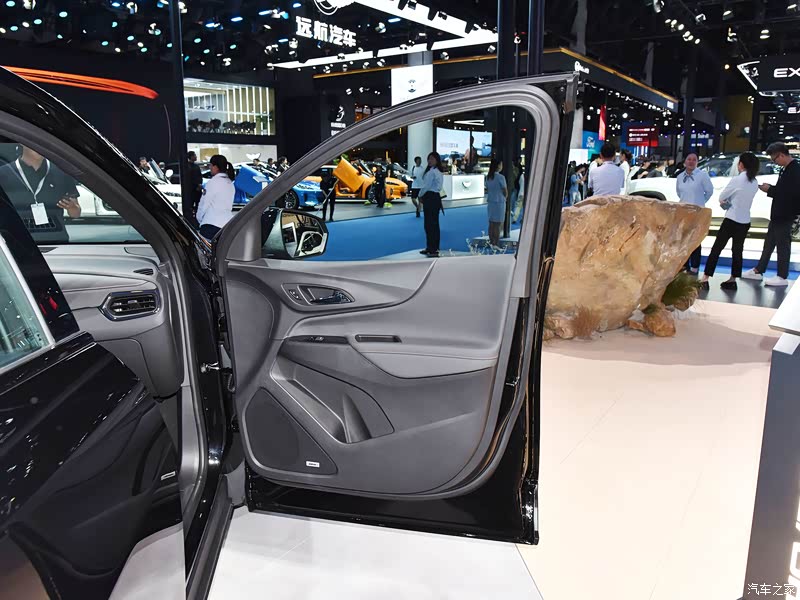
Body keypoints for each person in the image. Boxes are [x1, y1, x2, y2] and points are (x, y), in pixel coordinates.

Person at [742, 142, 800, 287]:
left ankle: (782, 276)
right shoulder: (787, 169)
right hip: (778, 214)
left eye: (774, 159)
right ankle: (759, 270)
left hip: (786, 215)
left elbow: (790, 194)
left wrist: (770, 190)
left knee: (783, 246)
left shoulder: (795, 170)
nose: (775, 162)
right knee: (768, 244)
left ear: (781, 155)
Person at [700, 153, 760, 290]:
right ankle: (733, 279)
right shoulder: (754, 182)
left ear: (741, 164)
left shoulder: (737, 180)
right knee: (737, 251)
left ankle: (705, 278)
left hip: (731, 219)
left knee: (717, 249)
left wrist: (726, 201)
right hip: (745, 221)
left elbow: (722, 196)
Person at [0, 144, 81, 243]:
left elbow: (76, 214)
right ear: (22, 143)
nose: (39, 147)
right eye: (35, 143)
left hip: (56, 240)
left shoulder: (62, 172)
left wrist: (72, 207)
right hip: (17, 242)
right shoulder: (3, 174)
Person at [676, 153, 714, 274]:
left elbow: (709, 191)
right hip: (683, 212)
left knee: (695, 240)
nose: (691, 162)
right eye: (689, 159)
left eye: (694, 160)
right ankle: (684, 265)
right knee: (683, 240)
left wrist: (700, 203)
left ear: (697, 162)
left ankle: (695, 266)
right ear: (685, 161)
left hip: (697, 213)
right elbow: (679, 193)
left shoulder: (702, 175)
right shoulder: (680, 176)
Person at [197, 154, 234, 240]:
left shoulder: (213, 182)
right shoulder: (230, 183)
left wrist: (199, 219)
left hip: (210, 225)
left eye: (211, 165)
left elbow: (204, 204)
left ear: (216, 167)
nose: (210, 168)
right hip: (226, 225)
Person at [419, 152, 444, 257]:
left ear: (437, 160)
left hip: (430, 197)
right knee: (434, 224)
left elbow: (426, 186)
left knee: (429, 224)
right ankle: (433, 247)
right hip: (435, 198)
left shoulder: (432, 172)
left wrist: (420, 195)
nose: (429, 161)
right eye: (429, 159)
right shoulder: (438, 172)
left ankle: (431, 248)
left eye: (432, 159)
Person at [485, 158, 508, 249]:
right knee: (498, 224)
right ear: (498, 166)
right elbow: (504, 190)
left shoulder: (488, 177)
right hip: (499, 202)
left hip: (491, 201)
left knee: (491, 223)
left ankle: (491, 242)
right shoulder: (501, 177)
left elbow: (488, 189)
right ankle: (496, 243)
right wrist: (506, 197)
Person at [185, 150, 203, 227]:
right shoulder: (188, 166)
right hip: (191, 190)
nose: (196, 156)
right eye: (194, 155)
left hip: (197, 189)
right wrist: (197, 185)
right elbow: (191, 178)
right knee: (191, 206)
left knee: (198, 205)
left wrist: (200, 184)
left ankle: (196, 220)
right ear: (191, 157)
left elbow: (199, 177)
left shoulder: (196, 166)